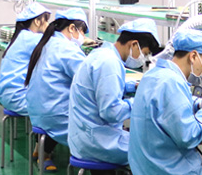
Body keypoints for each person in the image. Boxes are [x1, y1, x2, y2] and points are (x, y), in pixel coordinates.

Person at [68, 18, 161, 172]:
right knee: (154, 148)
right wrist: (138, 101)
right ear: (134, 44)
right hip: (96, 142)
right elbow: (111, 112)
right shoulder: (109, 63)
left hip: (84, 134)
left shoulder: (103, 54)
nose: (143, 59)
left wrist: (131, 86)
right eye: (144, 54)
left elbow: (102, 87)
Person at [129, 28, 202, 174]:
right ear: (193, 56)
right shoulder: (172, 83)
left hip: (144, 166)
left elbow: (174, 103)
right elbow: (188, 137)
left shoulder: (154, 74)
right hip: (167, 169)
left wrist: (197, 104)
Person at [25, 7, 88, 172]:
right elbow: (89, 81)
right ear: (72, 28)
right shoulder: (68, 49)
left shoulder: (47, 42)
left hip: (37, 111)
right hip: (54, 115)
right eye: (82, 31)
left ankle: (41, 150)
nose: (83, 37)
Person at [0, 2, 51, 115]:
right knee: (59, 106)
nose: (48, 25)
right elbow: (58, 44)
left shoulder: (20, 36)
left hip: (5, 96)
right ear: (37, 21)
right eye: (46, 21)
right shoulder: (32, 38)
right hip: (19, 99)